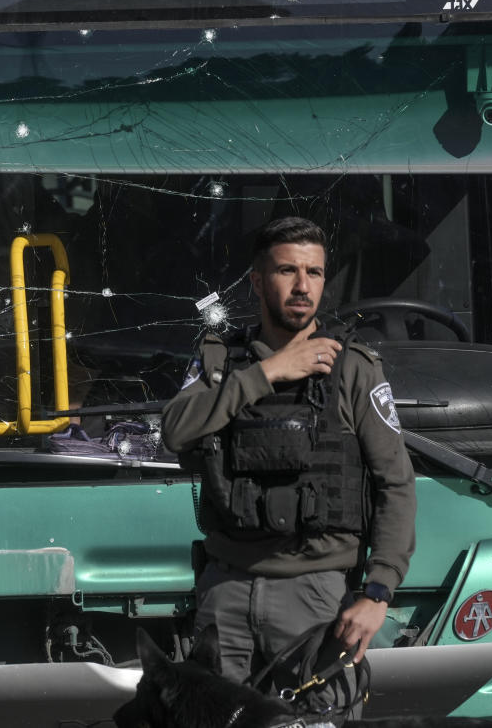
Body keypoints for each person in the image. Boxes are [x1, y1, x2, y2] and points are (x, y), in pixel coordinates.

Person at [162, 216, 416, 715]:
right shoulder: (221, 363)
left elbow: (397, 485)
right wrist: (267, 374)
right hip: (226, 595)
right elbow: (175, 430)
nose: (303, 287)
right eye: (287, 271)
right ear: (257, 281)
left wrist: (377, 593)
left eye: (315, 273)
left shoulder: (353, 367)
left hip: (317, 599)